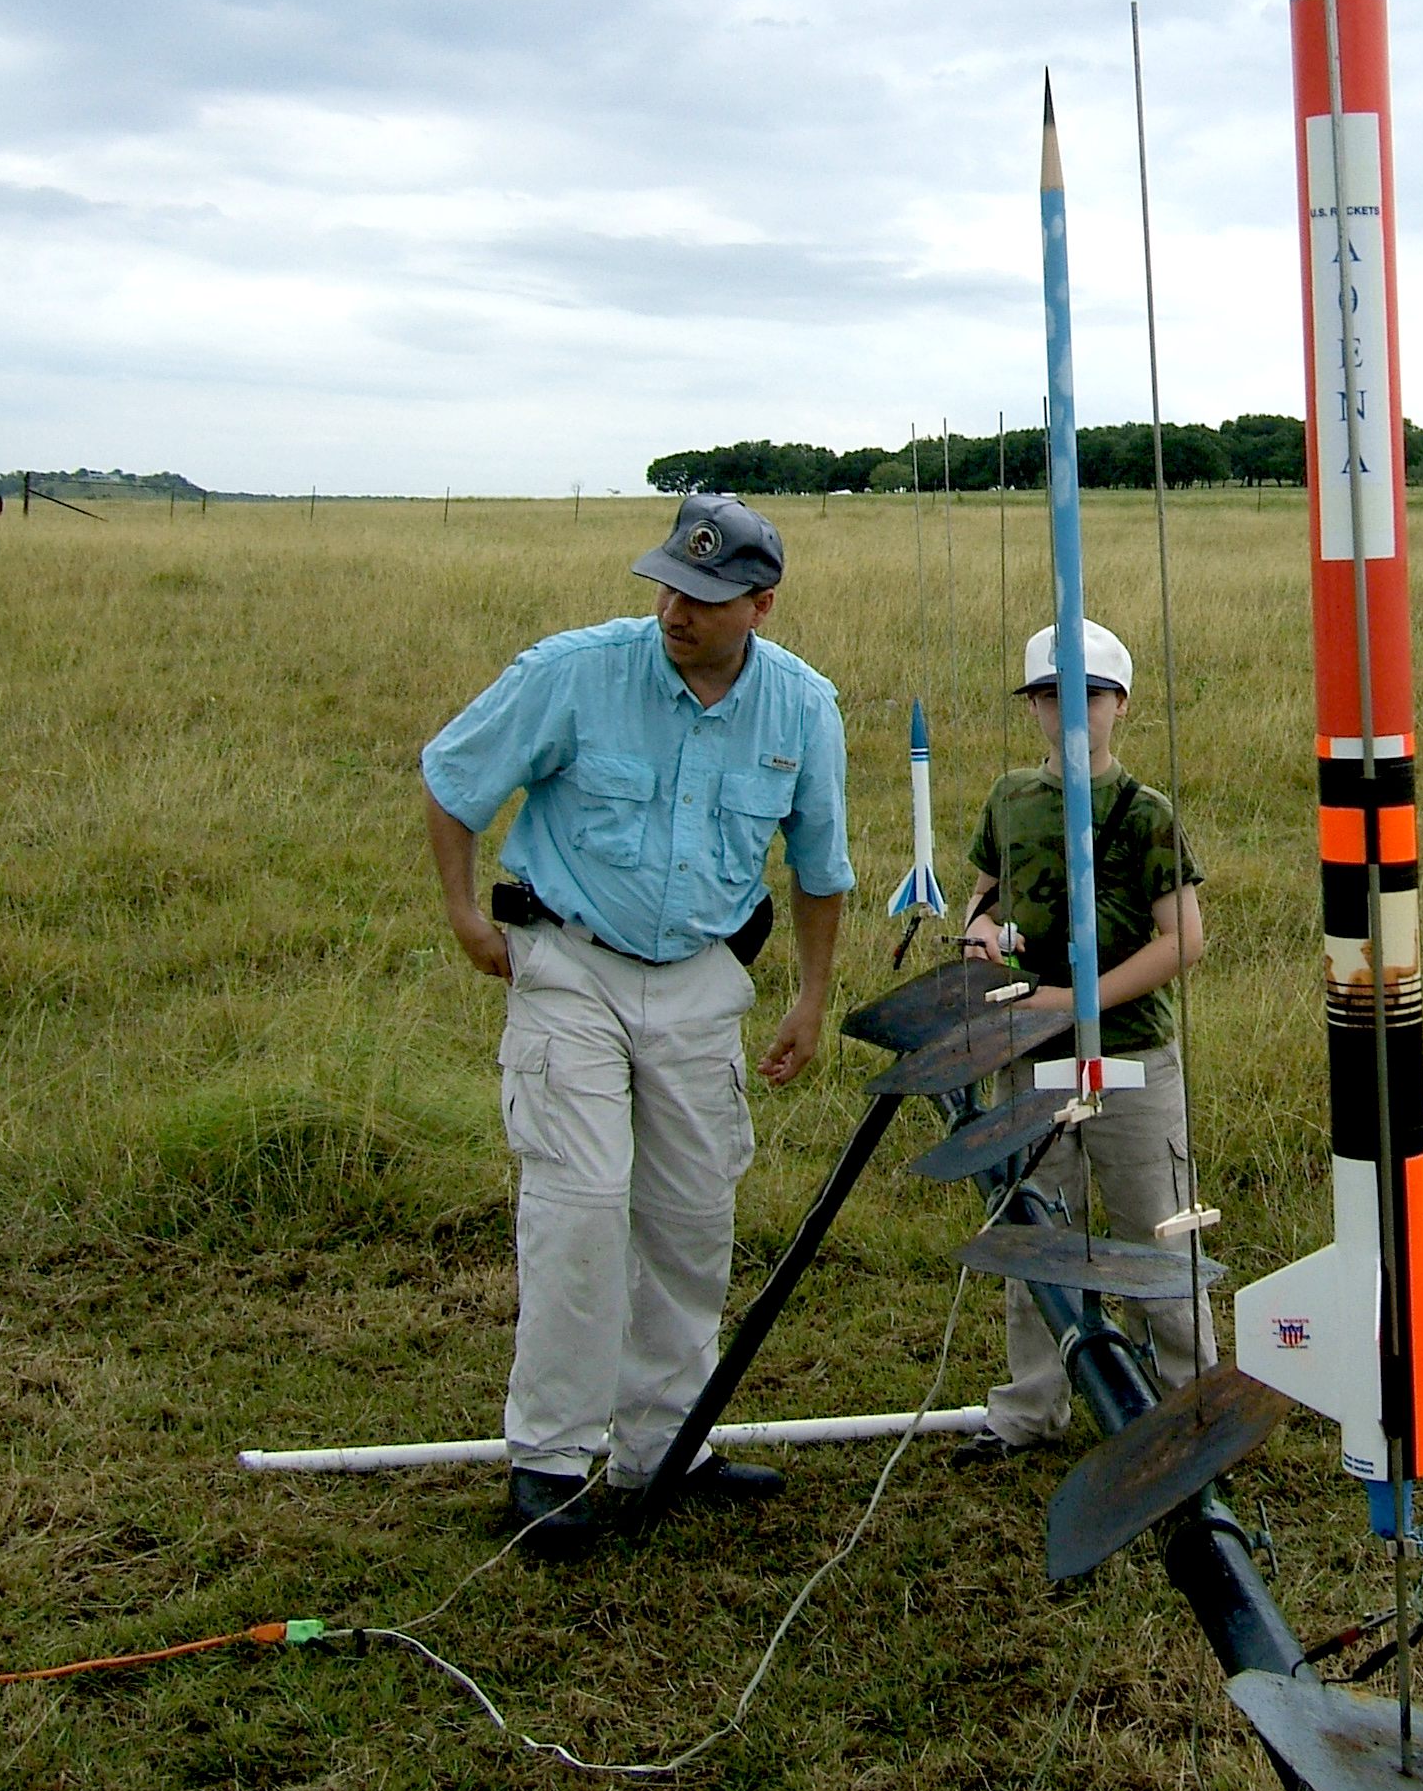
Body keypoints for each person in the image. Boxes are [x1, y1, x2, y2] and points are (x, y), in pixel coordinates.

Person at [420, 491, 854, 1552]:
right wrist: (466, 913)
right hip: (569, 962)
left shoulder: (804, 709)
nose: (674, 608)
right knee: (579, 1203)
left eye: (704, 595)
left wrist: (810, 991)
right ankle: (551, 1461)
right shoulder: (573, 672)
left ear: (760, 604)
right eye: (667, 581)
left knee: (692, 1213)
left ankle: (666, 1444)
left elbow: (819, 865)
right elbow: (452, 776)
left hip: (703, 979)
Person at [956, 619, 1212, 1456]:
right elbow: (982, 901)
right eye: (1050, 697)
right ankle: (1030, 1410)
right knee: (1035, 1230)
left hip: (1132, 1054)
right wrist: (980, 935)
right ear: (1031, 705)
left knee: (1154, 1231)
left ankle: (1191, 1410)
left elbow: (1183, 940)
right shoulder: (1009, 800)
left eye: (1090, 698)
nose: (1071, 714)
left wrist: (1079, 1002)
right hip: (1027, 1057)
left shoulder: (1147, 815)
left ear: (1121, 705)